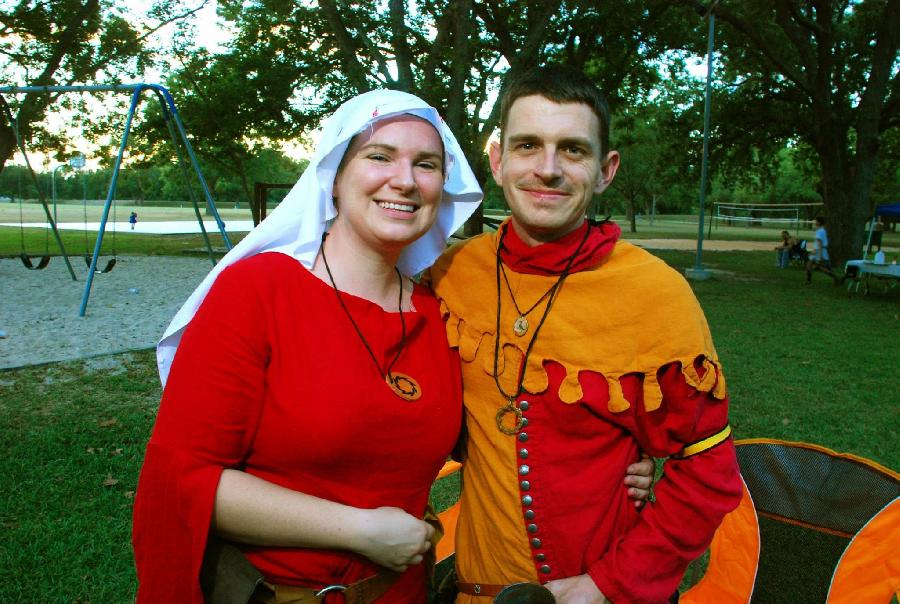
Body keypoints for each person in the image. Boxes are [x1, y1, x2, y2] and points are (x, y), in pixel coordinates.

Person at [132, 90, 652, 603]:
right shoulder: (259, 291)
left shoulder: (442, 312)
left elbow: (495, 427)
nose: (404, 180)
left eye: (425, 164)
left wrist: (610, 462)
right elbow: (184, 481)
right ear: (335, 177)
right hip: (273, 593)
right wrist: (356, 530)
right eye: (379, 156)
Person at [428, 65, 743, 603]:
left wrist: (606, 585)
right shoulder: (451, 272)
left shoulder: (656, 293)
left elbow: (709, 475)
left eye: (573, 150)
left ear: (605, 170)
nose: (547, 169)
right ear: (499, 160)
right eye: (528, 145)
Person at [806, 216, 839, 284]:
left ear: (819, 222)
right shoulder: (820, 230)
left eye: (816, 221)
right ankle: (808, 281)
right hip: (817, 251)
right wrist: (813, 251)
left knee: (824, 269)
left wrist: (820, 256)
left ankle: (836, 278)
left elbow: (820, 244)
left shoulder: (820, 231)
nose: (815, 222)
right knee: (809, 265)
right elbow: (817, 244)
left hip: (820, 252)